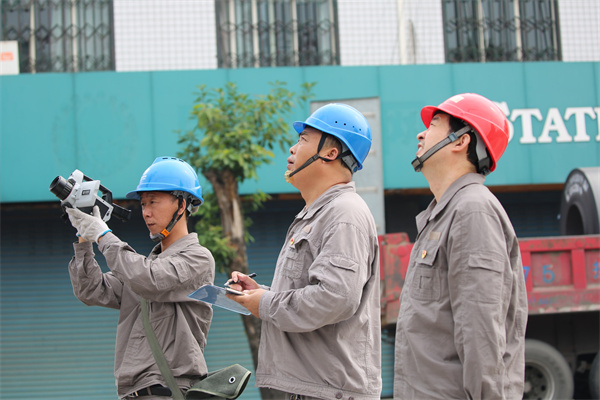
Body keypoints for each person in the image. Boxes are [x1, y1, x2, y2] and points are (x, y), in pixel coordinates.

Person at [227, 103, 382, 399]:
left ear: (330, 153)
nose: (292, 148)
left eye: (303, 139)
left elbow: (335, 298)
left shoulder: (344, 213)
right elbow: (316, 290)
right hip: (313, 386)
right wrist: (260, 293)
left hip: (328, 390)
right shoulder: (317, 214)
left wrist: (266, 304)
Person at [393, 93, 528, 399]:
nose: (421, 134)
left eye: (434, 125)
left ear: (461, 141)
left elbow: (481, 328)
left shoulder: (472, 210)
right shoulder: (443, 213)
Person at [65, 156, 215, 400]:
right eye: (143, 204)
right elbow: (90, 290)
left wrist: (103, 235)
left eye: (153, 202)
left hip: (167, 391)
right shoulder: (142, 268)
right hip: (133, 393)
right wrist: (84, 235)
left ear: (182, 204)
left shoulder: (198, 259)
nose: (146, 212)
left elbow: (150, 280)